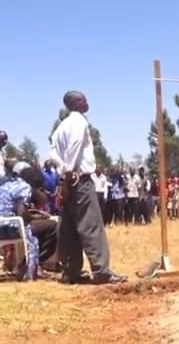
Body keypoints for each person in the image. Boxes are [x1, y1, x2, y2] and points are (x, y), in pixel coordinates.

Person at [49, 91, 127, 284]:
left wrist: (63, 174)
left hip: (67, 181)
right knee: (91, 225)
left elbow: (52, 153)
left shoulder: (61, 127)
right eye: (83, 99)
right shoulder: (79, 122)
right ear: (75, 103)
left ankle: (71, 271)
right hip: (79, 180)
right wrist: (69, 172)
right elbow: (74, 148)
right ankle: (102, 271)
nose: (87, 102)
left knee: (69, 227)